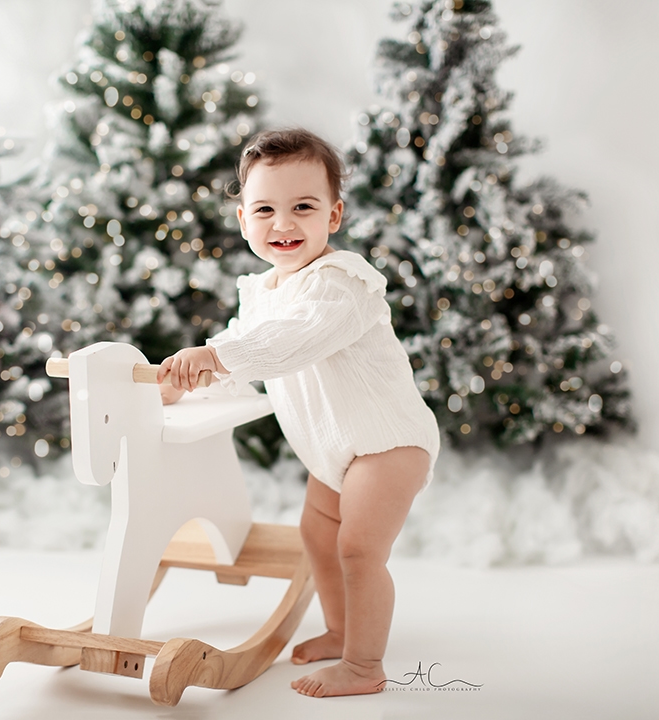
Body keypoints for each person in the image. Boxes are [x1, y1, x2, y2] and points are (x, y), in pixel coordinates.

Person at [156, 128, 440, 698]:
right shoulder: (264, 291)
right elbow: (242, 347)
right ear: (243, 221)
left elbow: (293, 340)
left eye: (303, 208)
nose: (283, 223)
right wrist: (189, 381)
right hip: (331, 448)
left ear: (333, 215)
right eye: (265, 210)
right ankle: (341, 629)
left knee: (359, 549)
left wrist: (216, 356)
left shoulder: (343, 283)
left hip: (386, 442)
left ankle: (364, 665)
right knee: (317, 537)